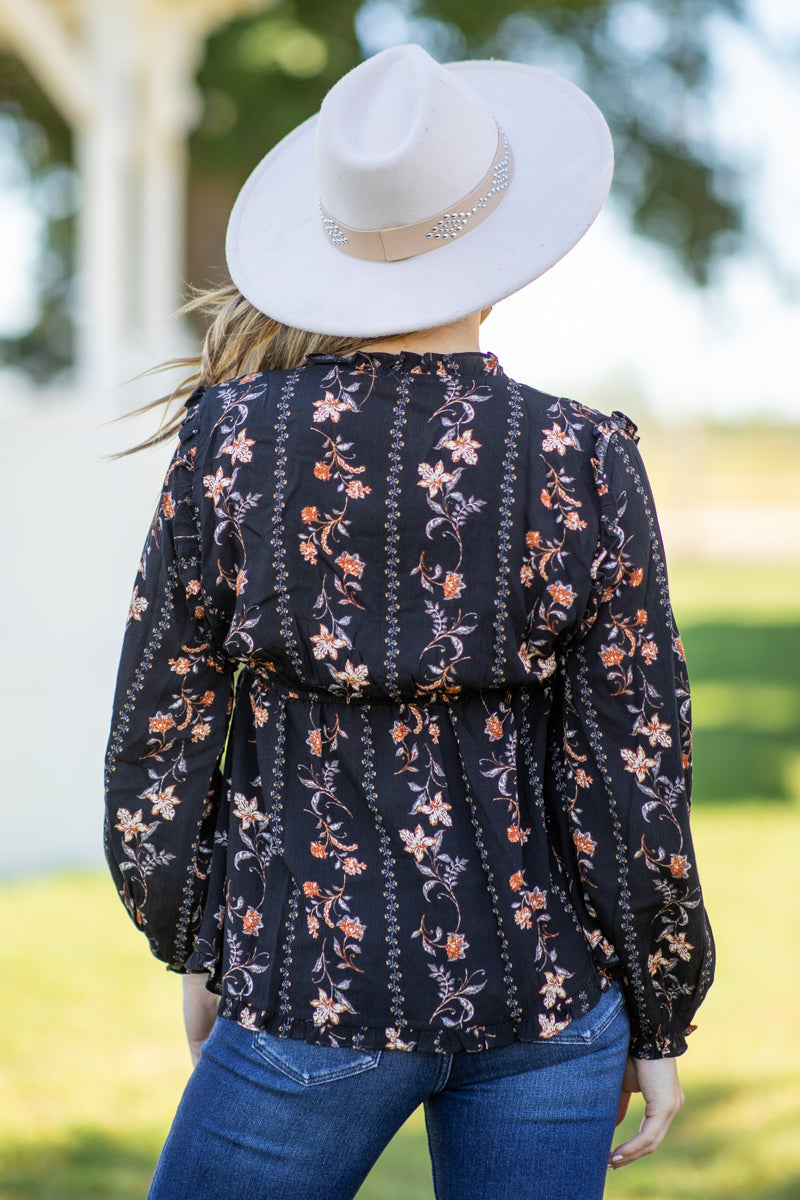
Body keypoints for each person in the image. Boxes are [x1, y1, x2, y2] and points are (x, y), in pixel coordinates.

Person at [104, 43, 715, 1200]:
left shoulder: (232, 441)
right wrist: (658, 1005)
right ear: (501, 253)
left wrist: (191, 930)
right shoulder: (581, 456)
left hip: (304, 985)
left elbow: (159, 726)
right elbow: (632, 768)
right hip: (548, 1002)